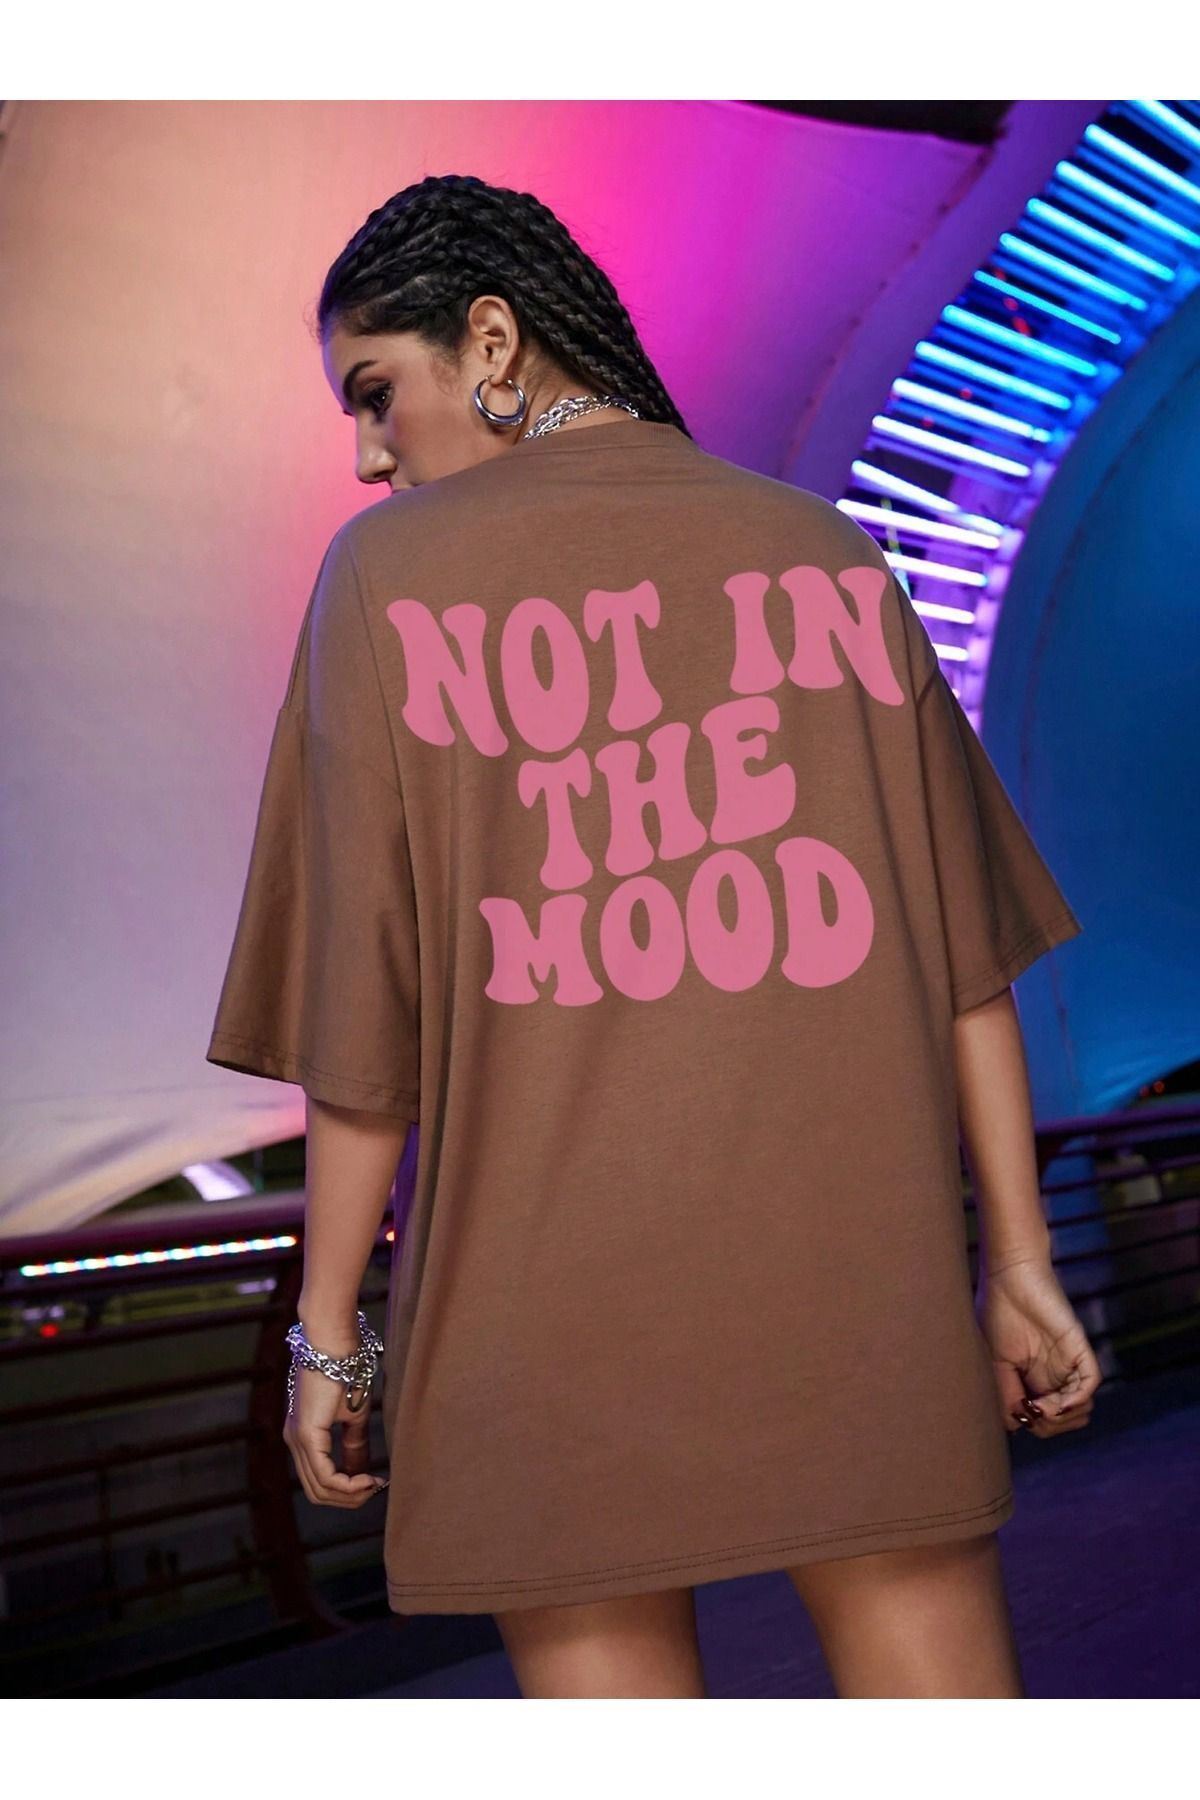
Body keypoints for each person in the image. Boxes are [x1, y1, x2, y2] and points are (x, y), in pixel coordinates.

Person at [205, 171, 1102, 1699]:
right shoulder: (826, 556)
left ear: (493, 342)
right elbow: (969, 966)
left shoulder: (382, 583)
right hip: (854, 1301)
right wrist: (1019, 1261)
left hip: (537, 1326)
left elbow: (362, 1027)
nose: (365, 455)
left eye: (376, 392)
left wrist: (331, 1336)